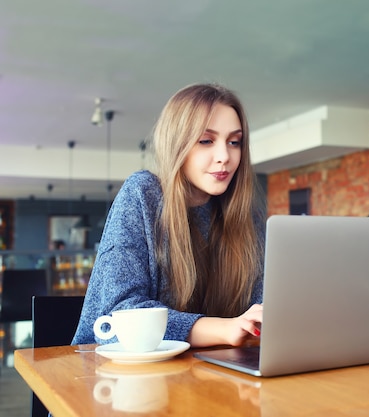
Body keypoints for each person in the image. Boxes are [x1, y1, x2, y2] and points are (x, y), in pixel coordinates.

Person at [72, 83, 265, 348]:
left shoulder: (246, 216)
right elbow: (121, 318)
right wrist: (224, 329)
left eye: (234, 142)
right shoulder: (143, 194)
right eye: (206, 141)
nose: (225, 156)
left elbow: (259, 307)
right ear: (177, 144)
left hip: (210, 371)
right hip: (110, 377)